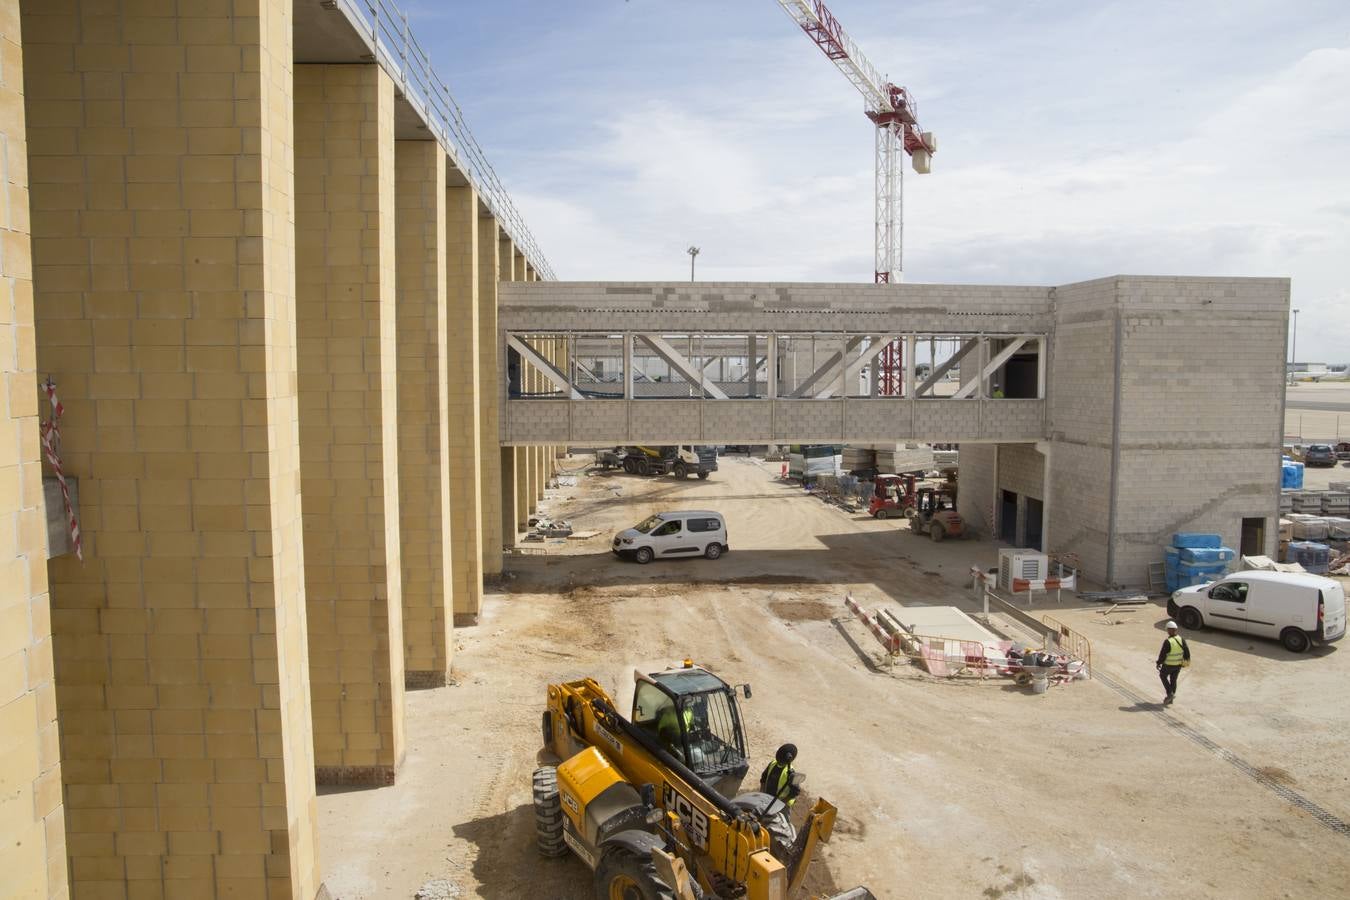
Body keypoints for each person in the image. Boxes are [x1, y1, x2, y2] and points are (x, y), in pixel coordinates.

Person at [1156, 620, 1191, 704]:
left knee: (1162, 676)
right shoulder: (1181, 639)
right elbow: (1187, 652)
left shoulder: (1168, 642)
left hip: (1168, 665)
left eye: (1168, 629)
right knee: (1173, 680)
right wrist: (1185, 662)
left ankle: (1170, 693)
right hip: (1178, 665)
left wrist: (1158, 663)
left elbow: (1163, 654)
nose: (1167, 631)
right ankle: (1171, 699)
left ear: (1170, 630)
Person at [759, 743, 801, 808]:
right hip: (767, 798)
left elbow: (795, 792)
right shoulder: (772, 763)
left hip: (783, 804)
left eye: (780, 759)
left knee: (782, 817)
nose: (778, 761)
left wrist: (780, 803)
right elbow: (763, 778)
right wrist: (762, 793)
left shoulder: (791, 774)